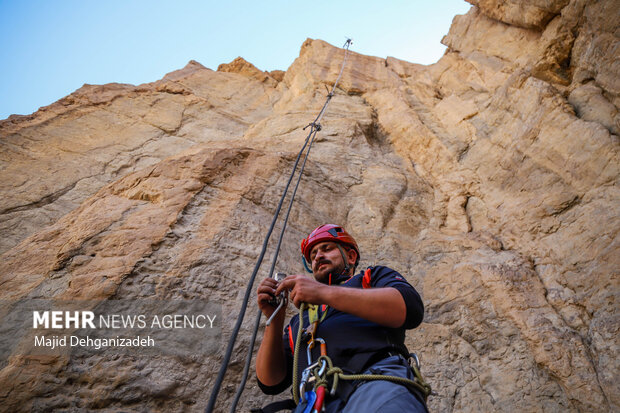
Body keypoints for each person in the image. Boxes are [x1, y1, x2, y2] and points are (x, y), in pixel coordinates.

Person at [255, 224, 428, 413]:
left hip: (376, 383)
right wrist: (274, 318)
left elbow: (410, 308)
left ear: (351, 256)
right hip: (315, 403)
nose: (318, 256)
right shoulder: (300, 322)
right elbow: (270, 382)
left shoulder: (371, 278)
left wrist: (321, 292)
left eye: (327, 249)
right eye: (313, 255)